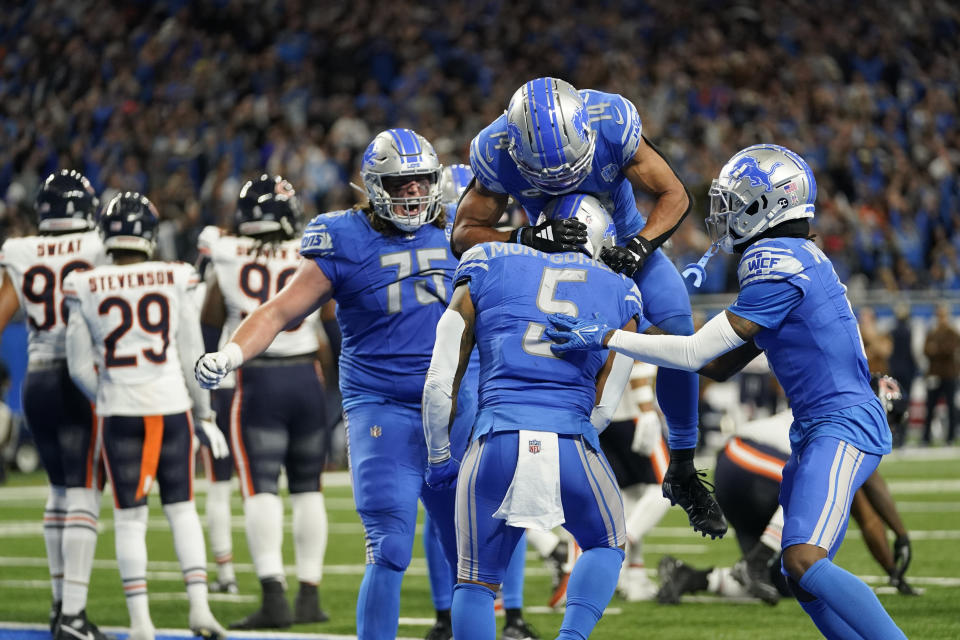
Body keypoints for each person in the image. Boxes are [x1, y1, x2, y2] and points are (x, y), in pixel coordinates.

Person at [546, 144, 907, 639]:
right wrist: (645, 335)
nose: (726, 213)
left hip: (843, 424)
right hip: (817, 427)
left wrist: (607, 336)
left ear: (768, 205)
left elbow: (696, 355)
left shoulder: (776, 259)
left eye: (737, 201)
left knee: (803, 559)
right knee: (796, 576)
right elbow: (716, 364)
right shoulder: (792, 253)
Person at [195, 128, 465, 640]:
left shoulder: (461, 229)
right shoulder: (343, 236)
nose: (413, 192)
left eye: (421, 181)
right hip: (384, 404)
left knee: (472, 556)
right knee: (388, 545)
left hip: (456, 403)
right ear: (376, 185)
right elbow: (278, 311)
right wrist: (232, 352)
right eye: (401, 182)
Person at [452, 77, 725, 539]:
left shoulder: (611, 122)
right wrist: (527, 236)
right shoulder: (496, 149)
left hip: (624, 244)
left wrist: (639, 246)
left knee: (682, 335)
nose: (561, 179)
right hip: (553, 260)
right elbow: (463, 233)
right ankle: (538, 463)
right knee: (547, 356)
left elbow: (674, 193)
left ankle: (681, 464)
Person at [422, 193, 645, 640]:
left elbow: (438, 380)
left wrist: (439, 456)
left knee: (476, 581)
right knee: (607, 544)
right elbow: (606, 402)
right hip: (570, 439)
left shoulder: (485, 260)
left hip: (495, 439)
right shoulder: (623, 289)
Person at [63, 192, 228, 640]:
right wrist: (206, 412)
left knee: (130, 518)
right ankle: (200, 610)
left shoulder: (86, 283)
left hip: (120, 412)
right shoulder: (175, 276)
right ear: (150, 235)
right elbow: (192, 351)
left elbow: (77, 364)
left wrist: (110, 394)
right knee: (182, 510)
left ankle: (141, 624)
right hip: (171, 405)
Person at [197, 174, 331, 628]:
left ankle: (274, 597)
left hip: (256, 380)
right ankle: (309, 595)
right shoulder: (310, 248)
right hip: (306, 376)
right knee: (309, 488)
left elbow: (211, 315)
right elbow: (330, 315)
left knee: (260, 488)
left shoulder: (225, 250)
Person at [658, 375, 916, 606]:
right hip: (751, 459)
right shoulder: (848, 423)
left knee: (783, 583)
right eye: (890, 418)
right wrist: (899, 543)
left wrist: (895, 566)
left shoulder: (833, 404)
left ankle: (692, 577)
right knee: (815, 493)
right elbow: (869, 513)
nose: (890, 427)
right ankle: (756, 561)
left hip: (735, 468)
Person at [423, 163, 538, 640]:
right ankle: (509, 614)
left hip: (451, 379)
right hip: (490, 380)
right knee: (509, 501)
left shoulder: (430, 246)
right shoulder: (501, 249)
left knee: (444, 503)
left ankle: (448, 616)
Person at [0, 170, 107, 638]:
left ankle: (61, 604)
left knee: (59, 490)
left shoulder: (20, 250)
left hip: (38, 379)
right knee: (84, 489)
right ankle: (73, 617)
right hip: (79, 378)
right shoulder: (100, 243)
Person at [922, 302, 959, 445]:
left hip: (949, 374)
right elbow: (925, 350)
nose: (941, 318)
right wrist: (938, 350)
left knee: (951, 407)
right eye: (939, 315)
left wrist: (936, 349)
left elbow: (950, 350)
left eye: (943, 315)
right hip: (934, 374)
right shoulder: (932, 331)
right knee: (930, 407)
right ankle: (926, 437)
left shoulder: (952, 332)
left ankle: (950, 437)